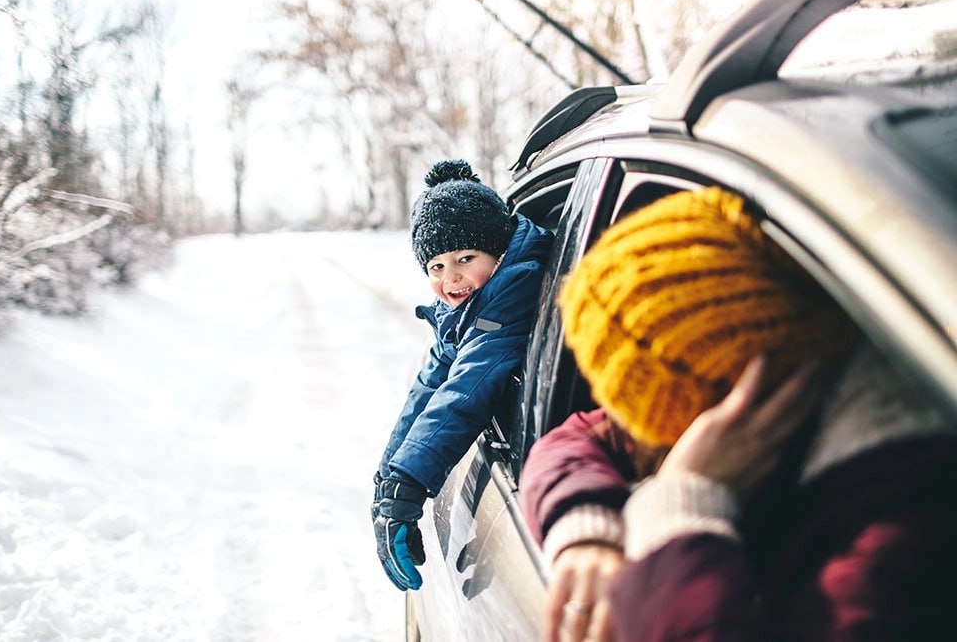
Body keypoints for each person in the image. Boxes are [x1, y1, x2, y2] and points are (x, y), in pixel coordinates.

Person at [519, 185, 957, 641]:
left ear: (726, 406)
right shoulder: (799, 402)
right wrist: (585, 524)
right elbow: (581, 438)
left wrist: (679, 517)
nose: (609, 413)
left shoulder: (892, 546)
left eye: (624, 398)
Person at [372, 158, 554, 592]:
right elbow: (427, 390)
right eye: (435, 267)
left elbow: (464, 390)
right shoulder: (463, 309)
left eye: (465, 258)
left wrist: (408, 484)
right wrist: (388, 485)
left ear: (500, 250)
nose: (450, 278)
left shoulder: (508, 299)